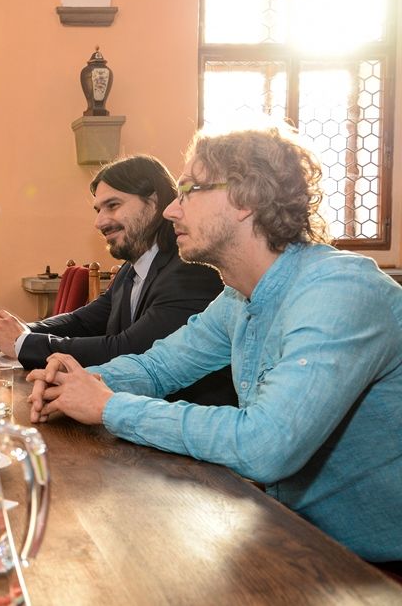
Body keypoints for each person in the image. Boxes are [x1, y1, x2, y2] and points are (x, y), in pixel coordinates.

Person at [29, 127, 402, 563]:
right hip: (290, 536)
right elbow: (158, 368)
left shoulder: (340, 291)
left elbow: (265, 444)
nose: (170, 209)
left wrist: (109, 406)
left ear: (246, 199)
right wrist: (76, 382)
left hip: (370, 568)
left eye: (188, 190)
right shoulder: (236, 296)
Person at [0, 155, 236, 406]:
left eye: (113, 205)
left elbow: (128, 350)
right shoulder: (132, 268)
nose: (99, 222)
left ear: (154, 202)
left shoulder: (190, 270)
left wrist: (22, 342)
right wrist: (21, 329)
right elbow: (83, 321)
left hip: (181, 420)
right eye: (98, 210)